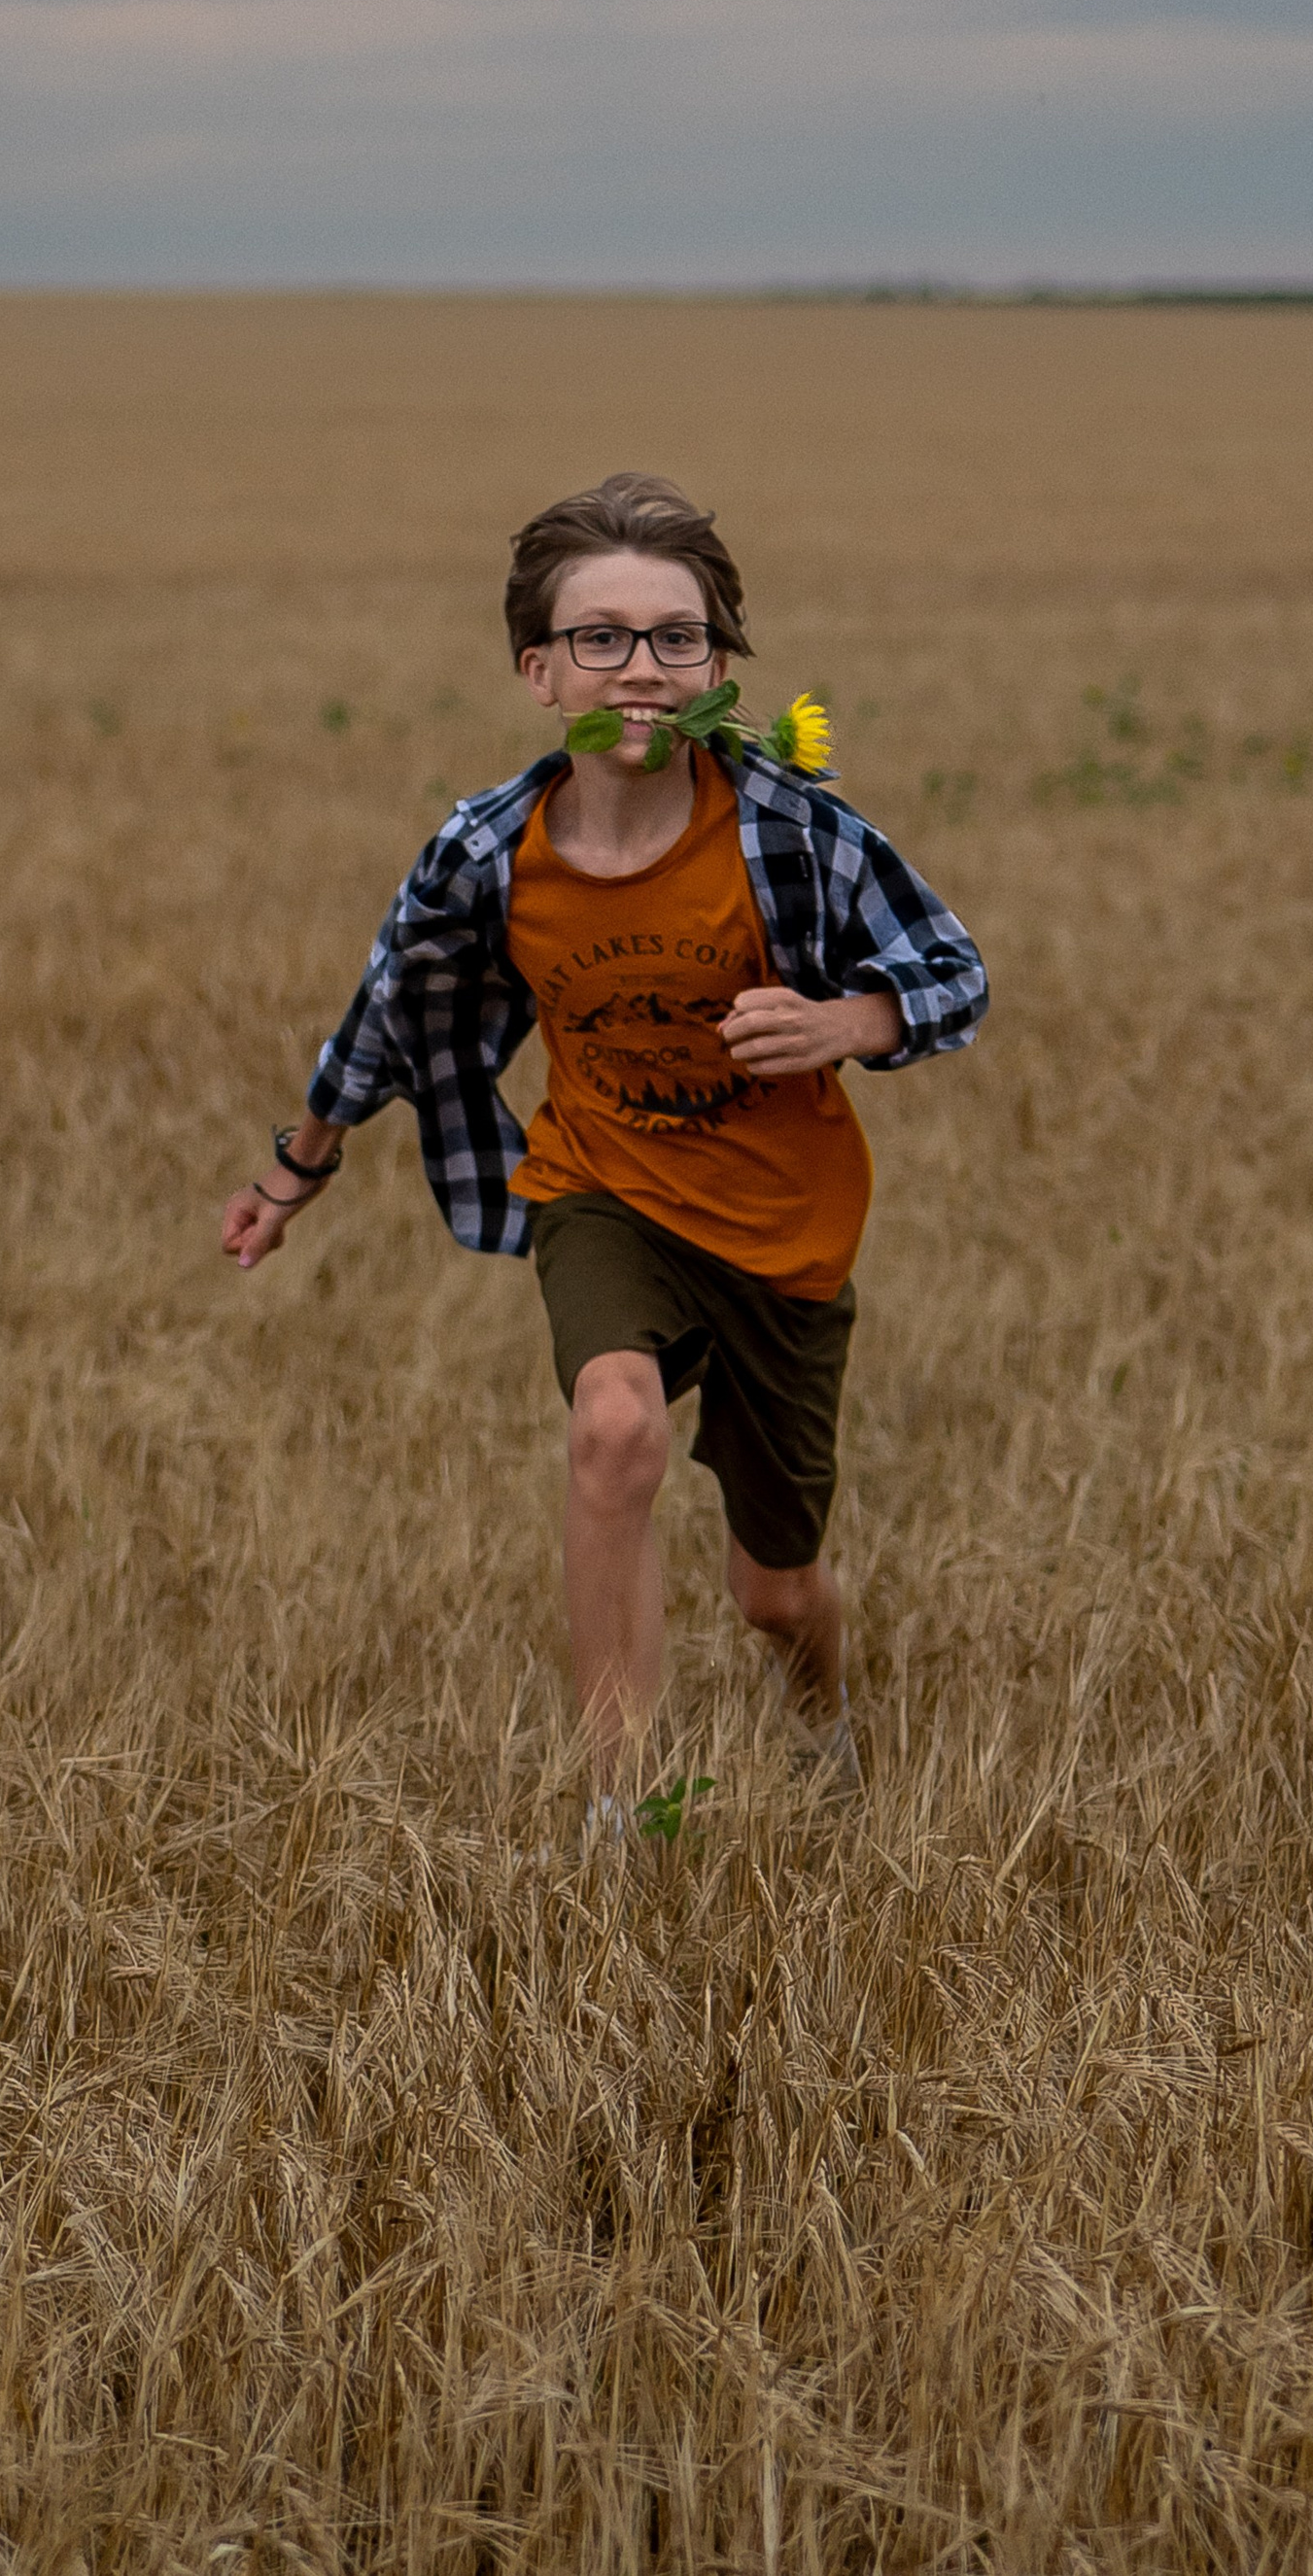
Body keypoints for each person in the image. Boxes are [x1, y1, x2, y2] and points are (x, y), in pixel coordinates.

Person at [220, 472, 986, 1833]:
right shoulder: (485, 851)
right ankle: (618, 1812)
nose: (640, 667)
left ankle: (819, 1702)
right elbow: (389, 1009)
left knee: (777, 1590)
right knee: (613, 1428)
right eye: (602, 637)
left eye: (674, 637)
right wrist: (299, 1166)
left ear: (718, 665)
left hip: (783, 1228)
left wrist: (846, 1020)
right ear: (537, 668)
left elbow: (954, 972)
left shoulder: (790, 826)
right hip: (601, 1184)